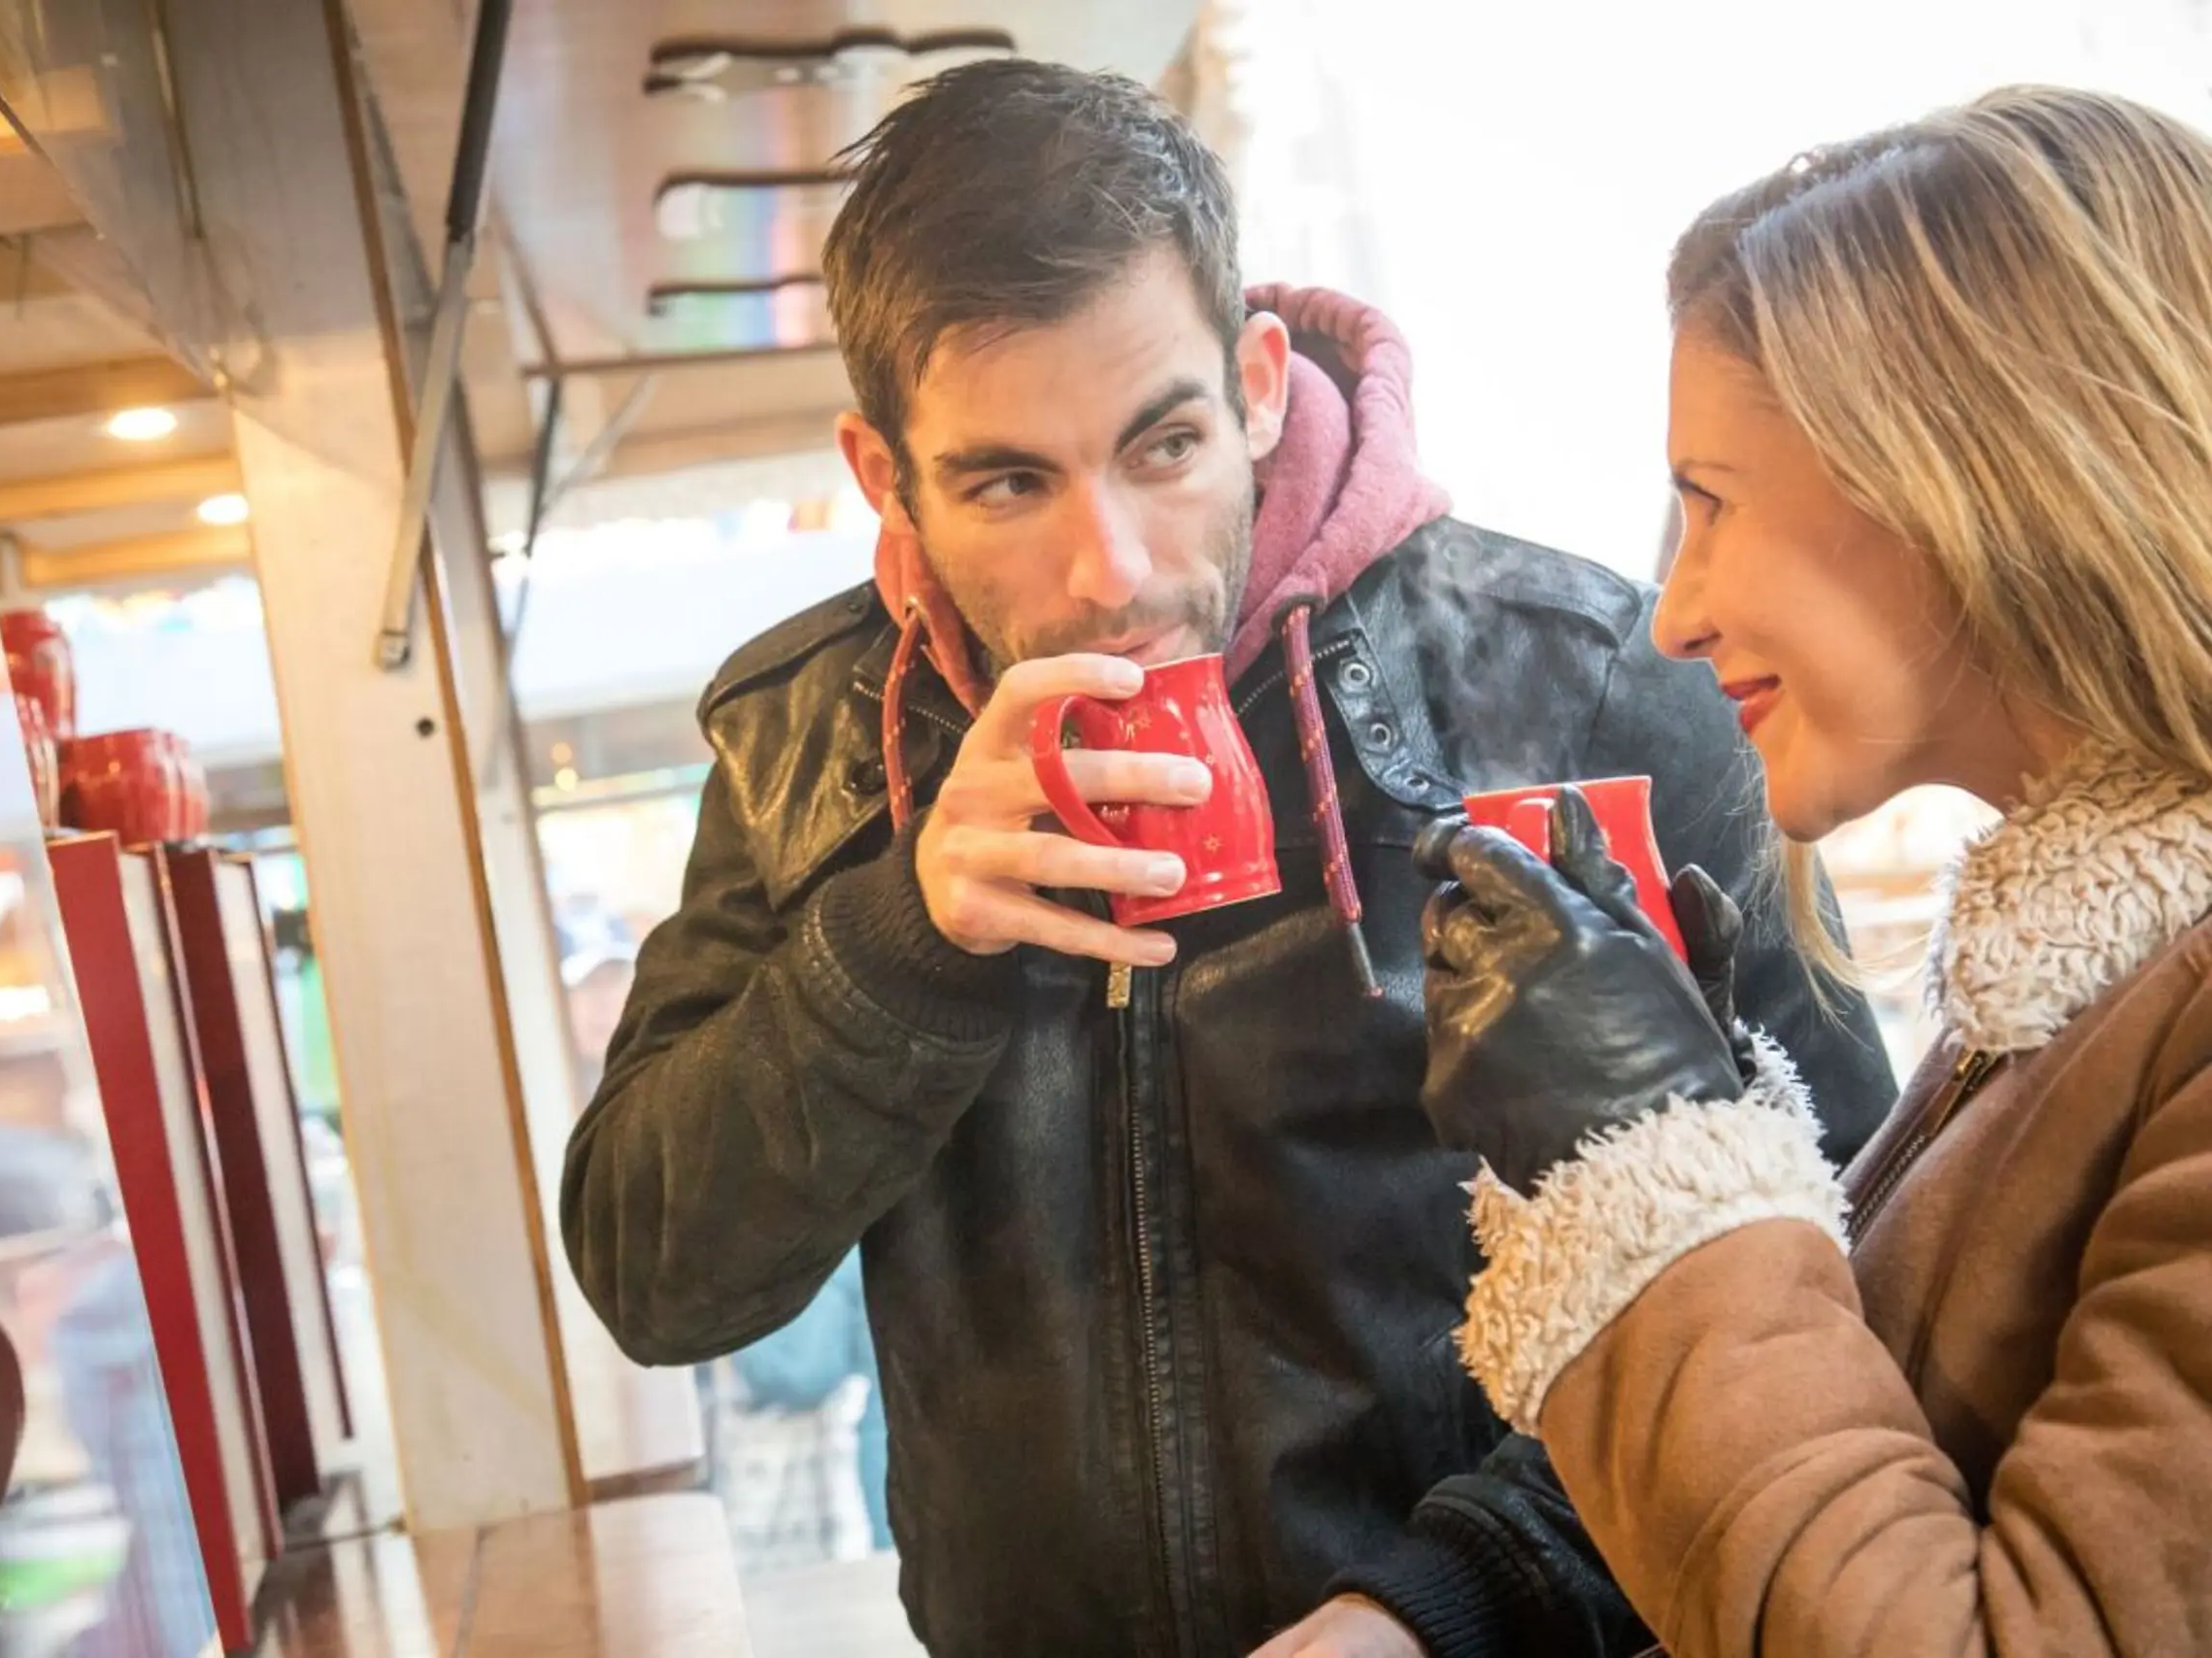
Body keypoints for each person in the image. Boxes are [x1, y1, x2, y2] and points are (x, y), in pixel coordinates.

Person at [560, 58, 1895, 1657]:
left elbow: (1850, 1253)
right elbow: (657, 1276)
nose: (1110, 568)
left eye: (1164, 445)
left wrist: (1446, 1608)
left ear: (1258, 380)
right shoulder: (811, 743)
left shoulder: (1582, 681)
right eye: (1006, 481)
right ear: (883, 474)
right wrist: (900, 939)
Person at [1414, 85, 2212, 1657]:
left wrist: (1657, 1179)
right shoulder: (2083, 988)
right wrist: (1722, 1138)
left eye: (1708, 501)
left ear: (1963, 473)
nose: (1673, 613)